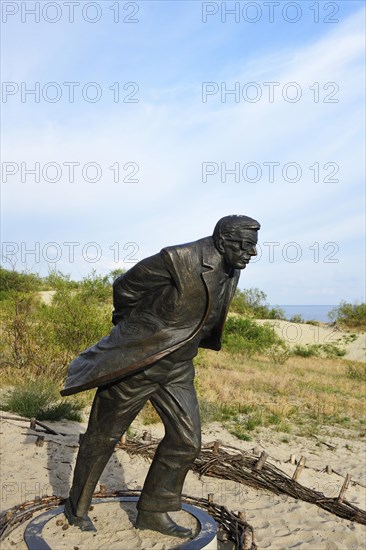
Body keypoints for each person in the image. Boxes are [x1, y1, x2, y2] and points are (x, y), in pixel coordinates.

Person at [61, 214, 260, 537]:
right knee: (103, 437)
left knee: (186, 441)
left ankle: (152, 511)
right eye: (246, 245)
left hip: (179, 368)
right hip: (139, 363)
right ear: (224, 241)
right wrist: (138, 333)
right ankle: (77, 507)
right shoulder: (177, 259)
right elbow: (125, 288)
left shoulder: (231, 267)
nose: (252, 253)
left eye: (253, 246)